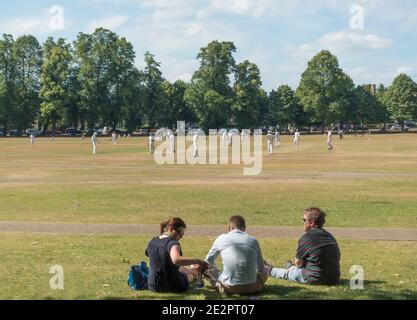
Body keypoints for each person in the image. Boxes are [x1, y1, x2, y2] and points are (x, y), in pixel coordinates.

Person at [266, 208, 341, 285]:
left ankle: (269, 270)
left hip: (314, 278)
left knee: (288, 273)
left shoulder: (307, 237)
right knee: (298, 268)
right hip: (334, 278)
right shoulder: (330, 236)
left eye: (304, 220)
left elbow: (298, 263)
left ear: (311, 222)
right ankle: (290, 267)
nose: (303, 222)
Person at [205, 215, 269, 295]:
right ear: (244, 228)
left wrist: (215, 270)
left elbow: (208, 261)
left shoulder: (221, 238)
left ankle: (217, 284)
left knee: (206, 270)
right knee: (266, 269)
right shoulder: (253, 240)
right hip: (252, 288)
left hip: (228, 287)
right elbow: (260, 268)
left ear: (229, 228)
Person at [145, 218, 208, 293]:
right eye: (180, 233)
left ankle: (194, 271)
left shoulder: (153, 240)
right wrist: (197, 261)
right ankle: (194, 273)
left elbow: (148, 254)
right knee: (188, 276)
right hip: (172, 286)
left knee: (179, 268)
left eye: (182, 234)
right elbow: (176, 260)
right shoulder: (172, 243)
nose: (181, 236)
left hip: (153, 285)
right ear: (171, 229)